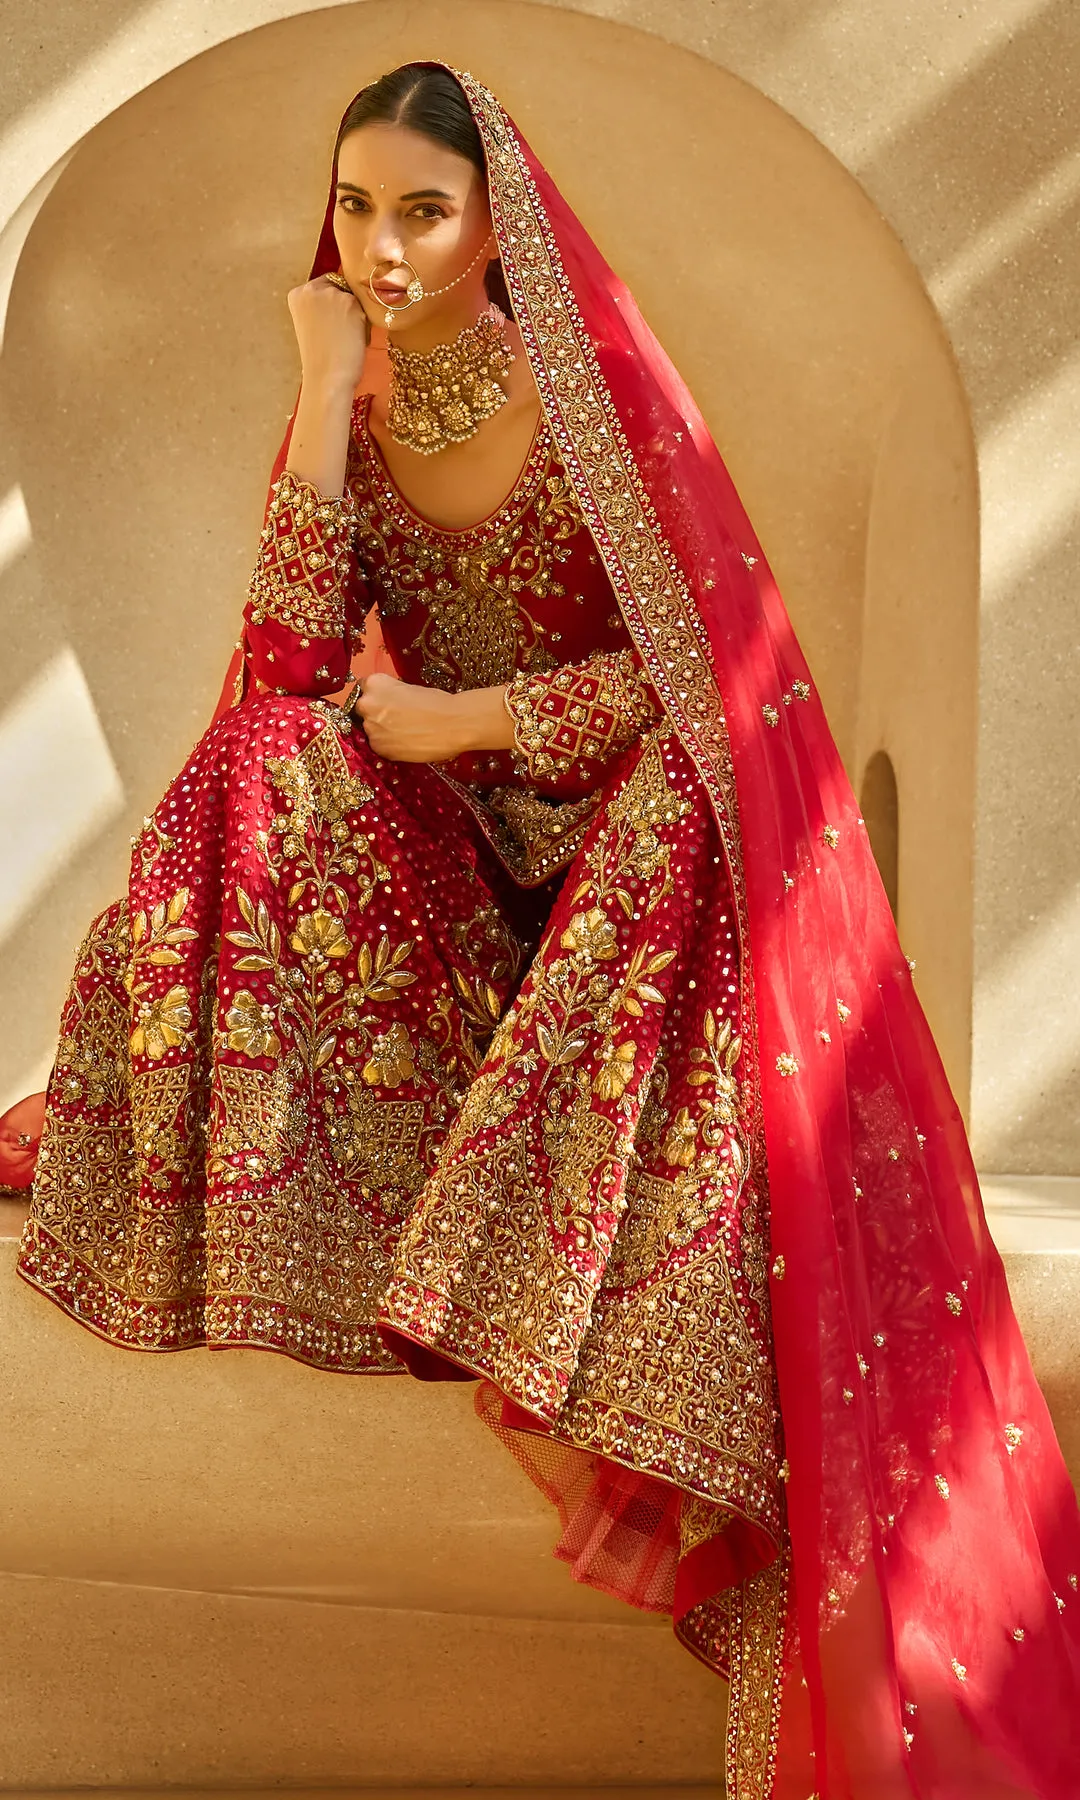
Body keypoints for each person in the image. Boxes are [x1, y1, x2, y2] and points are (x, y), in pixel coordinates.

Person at [13, 59, 1080, 1799]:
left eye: (420, 210)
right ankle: (348, 1178)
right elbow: (286, 663)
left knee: (679, 797)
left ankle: (550, 1233)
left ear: (497, 220)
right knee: (260, 755)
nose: (380, 243)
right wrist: (322, 380)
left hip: (614, 890)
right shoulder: (347, 391)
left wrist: (467, 721)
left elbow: (701, 690)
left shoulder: (580, 395)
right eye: (354, 206)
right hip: (452, 891)